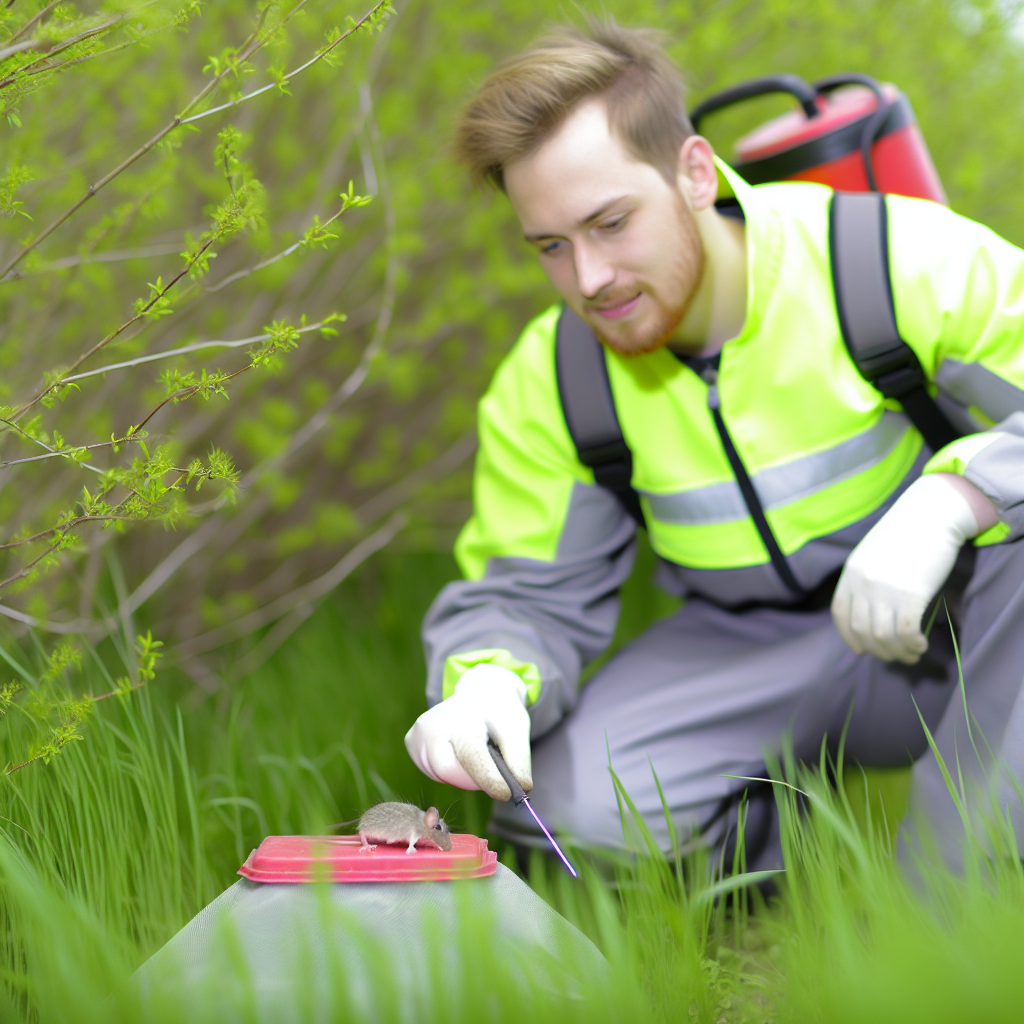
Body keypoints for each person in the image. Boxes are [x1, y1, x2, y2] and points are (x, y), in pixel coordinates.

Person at [403, 20, 1024, 871]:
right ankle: (781, 859)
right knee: (575, 814)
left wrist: (955, 501)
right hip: (746, 647)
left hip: (954, 622)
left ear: (696, 173)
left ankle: (958, 896)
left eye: (611, 222)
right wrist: (487, 681)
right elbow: (527, 593)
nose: (589, 279)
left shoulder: (890, 258)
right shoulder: (551, 379)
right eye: (551, 246)